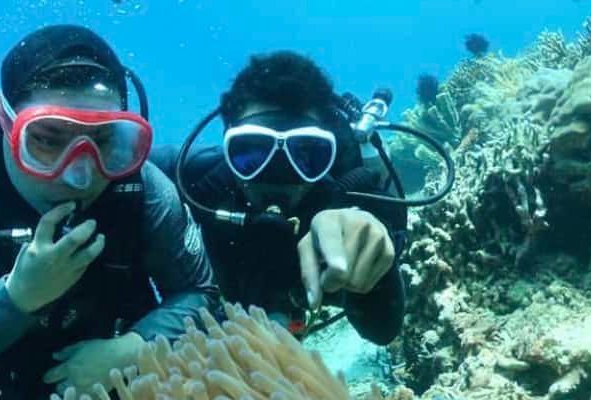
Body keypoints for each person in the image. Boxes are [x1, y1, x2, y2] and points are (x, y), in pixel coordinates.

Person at [0, 24, 219, 400]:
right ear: (6, 124)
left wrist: (134, 348)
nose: (79, 175)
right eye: (48, 140)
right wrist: (17, 299)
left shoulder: (143, 189)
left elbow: (202, 292)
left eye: (102, 140)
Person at [153, 51, 407, 344]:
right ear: (227, 144)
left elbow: (382, 329)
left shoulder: (345, 202)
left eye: (305, 154)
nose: (278, 174)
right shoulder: (194, 181)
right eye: (253, 152)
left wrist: (376, 266)